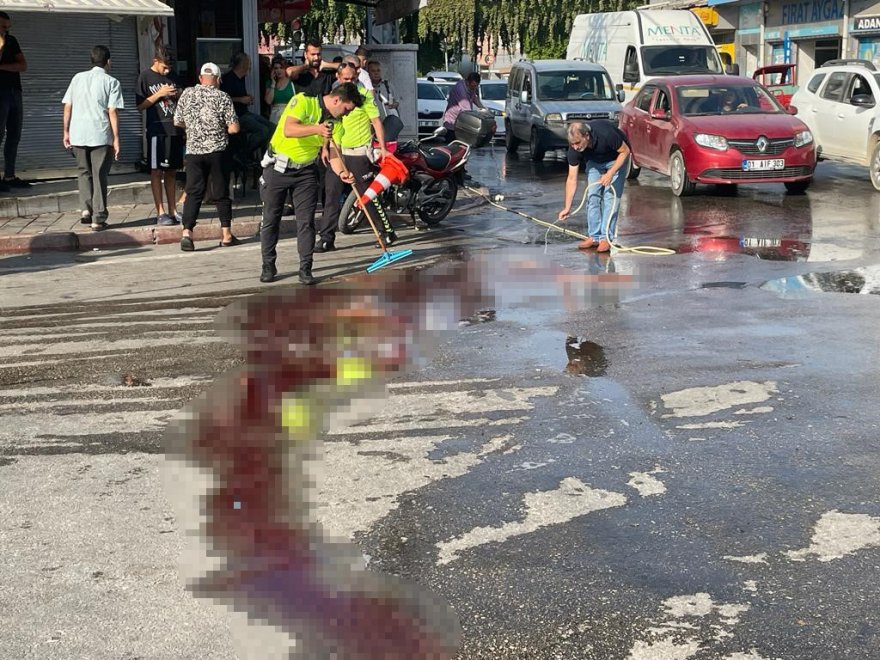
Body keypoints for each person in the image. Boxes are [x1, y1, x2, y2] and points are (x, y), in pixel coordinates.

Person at [258, 82, 363, 285]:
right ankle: (268, 265)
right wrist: (317, 128)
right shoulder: (304, 101)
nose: (346, 114)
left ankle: (305, 267)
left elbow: (334, 152)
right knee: (271, 219)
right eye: (346, 109)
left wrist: (342, 172)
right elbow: (289, 129)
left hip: (305, 171)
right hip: (278, 167)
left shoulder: (336, 123)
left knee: (306, 222)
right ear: (336, 100)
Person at [318, 63, 390, 253]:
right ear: (338, 77)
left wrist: (383, 148)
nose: (350, 81)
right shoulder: (334, 97)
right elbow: (328, 124)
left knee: (367, 195)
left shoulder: (364, 96)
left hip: (358, 152)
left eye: (353, 78)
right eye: (346, 79)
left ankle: (385, 232)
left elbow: (376, 122)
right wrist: (324, 147)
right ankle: (326, 238)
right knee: (331, 194)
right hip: (337, 151)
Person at [173, 62, 240, 252]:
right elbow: (234, 128)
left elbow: (178, 121)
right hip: (217, 151)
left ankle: (187, 233)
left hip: (194, 151)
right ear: (218, 79)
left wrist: (194, 129)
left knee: (193, 191)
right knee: (221, 192)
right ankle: (226, 235)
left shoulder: (187, 94)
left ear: (200, 78)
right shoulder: (222, 97)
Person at [61, 45, 124, 232]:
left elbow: (68, 106)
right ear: (108, 61)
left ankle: (85, 210)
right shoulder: (112, 82)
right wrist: (116, 138)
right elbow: (113, 111)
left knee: (83, 172)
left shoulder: (77, 78)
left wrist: (66, 131)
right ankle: (98, 217)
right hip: (100, 134)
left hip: (78, 133)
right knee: (99, 175)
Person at [557, 120, 630, 253]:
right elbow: (572, 178)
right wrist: (567, 207)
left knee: (610, 198)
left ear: (587, 136)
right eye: (572, 144)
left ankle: (606, 238)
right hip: (594, 162)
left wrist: (610, 173)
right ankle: (594, 237)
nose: (575, 147)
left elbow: (625, 151)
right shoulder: (574, 150)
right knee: (593, 196)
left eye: (578, 143)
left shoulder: (606, 134)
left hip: (616, 158)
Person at [136, 45, 183, 226]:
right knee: (156, 170)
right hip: (157, 129)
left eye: (169, 67)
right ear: (155, 61)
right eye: (164, 67)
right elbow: (140, 105)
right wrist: (159, 94)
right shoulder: (145, 77)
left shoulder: (173, 76)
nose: (167, 71)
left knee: (172, 171)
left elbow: (182, 97)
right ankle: (160, 212)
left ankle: (173, 210)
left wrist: (178, 94)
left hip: (174, 128)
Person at [220, 52, 272, 155]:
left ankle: (265, 155)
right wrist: (240, 99)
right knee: (263, 131)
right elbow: (221, 99)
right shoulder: (227, 79)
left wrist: (247, 98)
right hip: (236, 116)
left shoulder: (241, 79)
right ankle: (243, 153)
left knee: (272, 127)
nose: (250, 66)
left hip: (245, 112)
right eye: (249, 63)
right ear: (243, 65)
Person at [0, 11, 28, 191]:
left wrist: (2, 67)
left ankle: (9, 175)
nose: (6, 30)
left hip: (14, 90)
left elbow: (22, 65)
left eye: (8, 27)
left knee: (14, 134)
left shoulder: (12, 40)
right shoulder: (4, 42)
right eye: (3, 27)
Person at [442, 72, 485, 141]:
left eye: (476, 85)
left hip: (461, 123)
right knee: (454, 145)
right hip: (453, 124)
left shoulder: (470, 87)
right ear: (468, 82)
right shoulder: (461, 90)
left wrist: (483, 108)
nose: (475, 88)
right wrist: (479, 117)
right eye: (473, 86)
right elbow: (467, 111)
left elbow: (474, 98)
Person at [264, 55, 294, 124]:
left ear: (285, 69)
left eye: (281, 68)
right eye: (276, 68)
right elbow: (268, 101)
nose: (279, 70)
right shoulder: (270, 83)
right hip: (275, 116)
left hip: (290, 114)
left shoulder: (292, 82)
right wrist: (273, 83)